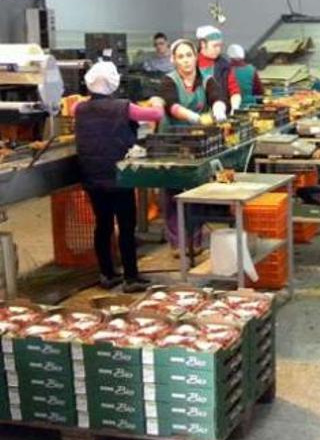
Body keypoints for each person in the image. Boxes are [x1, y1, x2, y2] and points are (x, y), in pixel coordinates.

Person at [74, 61, 164, 293]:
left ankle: (107, 274)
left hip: (92, 176)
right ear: (113, 82)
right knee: (126, 225)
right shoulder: (124, 107)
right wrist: (157, 100)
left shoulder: (79, 108)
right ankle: (131, 278)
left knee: (102, 224)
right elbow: (156, 114)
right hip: (118, 176)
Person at [156, 39, 227, 250]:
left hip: (197, 143)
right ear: (173, 60)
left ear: (196, 57)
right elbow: (172, 106)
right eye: (180, 57)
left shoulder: (206, 79)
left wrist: (219, 109)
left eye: (189, 55)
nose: (186, 61)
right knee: (173, 192)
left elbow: (217, 96)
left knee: (197, 188)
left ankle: (195, 240)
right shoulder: (169, 81)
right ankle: (178, 244)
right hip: (172, 142)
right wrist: (195, 118)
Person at [195, 25, 241, 113]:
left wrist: (235, 108)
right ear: (203, 44)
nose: (218, 49)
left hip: (221, 114)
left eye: (220, 46)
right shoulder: (192, 63)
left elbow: (234, 90)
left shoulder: (224, 66)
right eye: (215, 46)